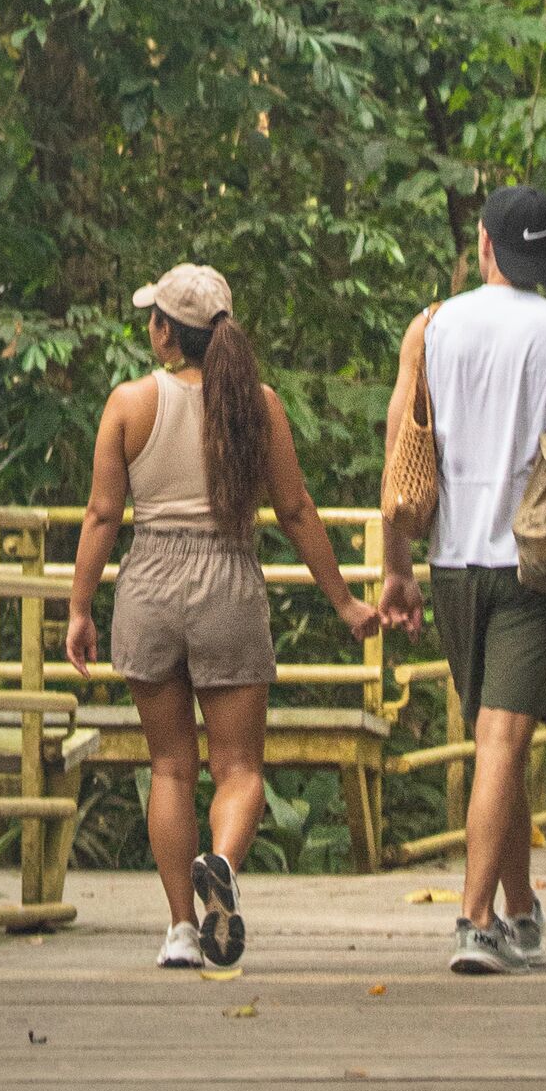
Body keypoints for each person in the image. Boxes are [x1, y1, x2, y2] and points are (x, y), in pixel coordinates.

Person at [67, 262, 377, 972]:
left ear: (167, 334)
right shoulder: (257, 405)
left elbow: (102, 514)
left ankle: (180, 930)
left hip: (149, 582)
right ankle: (222, 863)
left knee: (171, 768)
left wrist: (81, 608)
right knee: (238, 769)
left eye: (154, 319)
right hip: (227, 583)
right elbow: (296, 510)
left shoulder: (128, 403)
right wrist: (344, 601)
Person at [377, 184, 546, 973]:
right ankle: (475, 923)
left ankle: (519, 908)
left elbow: (401, 448)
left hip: (454, 562)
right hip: (538, 563)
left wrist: (398, 569)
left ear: (486, 246)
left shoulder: (430, 328)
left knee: (497, 738)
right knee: (503, 738)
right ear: (542, 253)